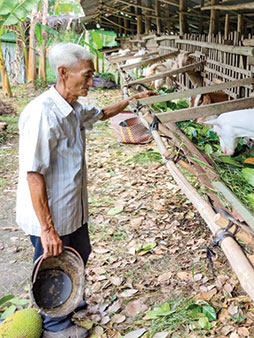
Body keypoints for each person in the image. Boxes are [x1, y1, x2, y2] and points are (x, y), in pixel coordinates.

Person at [16, 42, 156, 338]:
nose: (92, 82)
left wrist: (133, 100)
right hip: (51, 214)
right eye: (88, 76)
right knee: (51, 267)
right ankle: (55, 327)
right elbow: (33, 175)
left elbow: (102, 113)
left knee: (81, 252)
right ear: (63, 72)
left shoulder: (73, 107)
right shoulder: (43, 113)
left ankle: (70, 301)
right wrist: (48, 229)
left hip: (72, 209)